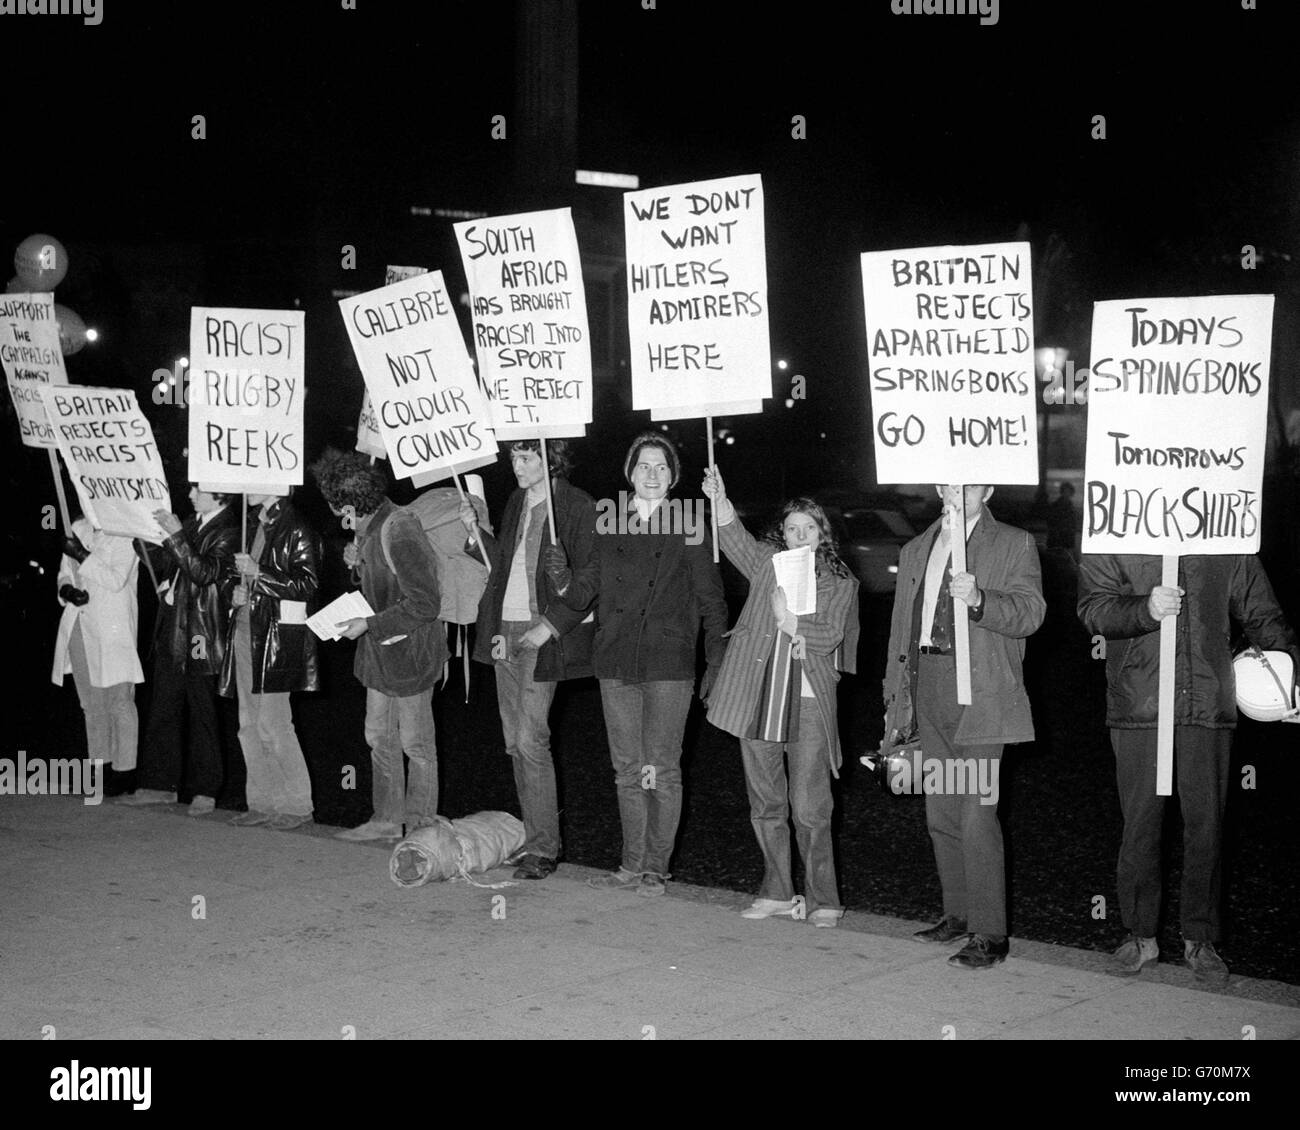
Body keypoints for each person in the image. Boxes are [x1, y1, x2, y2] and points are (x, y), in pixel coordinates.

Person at [1077, 553, 1298, 984]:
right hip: (1139, 702)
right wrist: (1144, 609)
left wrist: (1290, 681)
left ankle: (1201, 936)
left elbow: (1261, 612)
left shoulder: (1225, 535)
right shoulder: (1119, 527)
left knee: (1206, 825)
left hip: (1207, 700)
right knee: (1140, 825)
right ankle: (1140, 933)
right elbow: (1093, 609)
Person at [882, 484, 1045, 969]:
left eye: (970, 482)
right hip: (928, 686)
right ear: (937, 487)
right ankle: (957, 914)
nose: (958, 491)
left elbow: (1031, 613)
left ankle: (989, 933)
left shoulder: (1013, 542)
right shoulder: (917, 548)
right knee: (943, 813)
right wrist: (895, 697)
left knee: (977, 815)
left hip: (981, 693)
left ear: (989, 488)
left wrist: (979, 599)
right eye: (950, 482)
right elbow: (900, 628)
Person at [702, 469, 859, 927]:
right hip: (757, 697)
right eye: (792, 527)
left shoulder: (838, 580)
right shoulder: (767, 562)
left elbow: (829, 634)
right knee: (765, 802)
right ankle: (776, 890)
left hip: (807, 700)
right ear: (783, 533)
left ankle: (823, 900)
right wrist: (720, 501)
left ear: (822, 533)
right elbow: (736, 542)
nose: (800, 535)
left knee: (810, 807)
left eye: (809, 527)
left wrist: (789, 621)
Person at [578, 431, 728, 898]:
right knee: (626, 769)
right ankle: (630, 860)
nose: (652, 474)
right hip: (616, 660)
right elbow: (588, 588)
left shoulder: (689, 525)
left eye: (661, 467)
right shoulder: (610, 526)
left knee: (660, 768)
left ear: (673, 476)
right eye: (644, 466)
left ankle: (655, 869)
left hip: (668, 662)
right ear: (629, 472)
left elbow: (712, 600)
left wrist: (717, 661)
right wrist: (559, 588)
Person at [460, 439, 598, 880]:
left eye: (526, 458)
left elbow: (591, 577)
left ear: (549, 458)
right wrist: (473, 533)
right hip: (506, 629)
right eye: (514, 459)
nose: (516, 467)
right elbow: (500, 560)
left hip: (542, 633)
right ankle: (535, 837)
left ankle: (543, 848)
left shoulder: (577, 506)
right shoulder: (517, 500)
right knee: (513, 741)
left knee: (530, 739)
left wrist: (551, 625)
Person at [313, 452, 445, 842]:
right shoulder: (369, 527)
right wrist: (357, 568)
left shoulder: (399, 530)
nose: (334, 513)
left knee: (416, 745)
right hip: (379, 655)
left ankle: (421, 827)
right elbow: (381, 587)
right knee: (378, 737)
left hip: (410, 655)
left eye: (335, 506)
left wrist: (368, 624)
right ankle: (387, 820)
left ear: (348, 503)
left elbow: (425, 603)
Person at [121, 486, 240, 814]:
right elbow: (160, 561)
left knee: (202, 710)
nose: (189, 494)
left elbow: (204, 573)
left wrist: (175, 536)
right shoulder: (189, 524)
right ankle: (160, 784)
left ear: (219, 494)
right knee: (163, 706)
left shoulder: (230, 529)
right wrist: (141, 533)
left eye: (197, 489)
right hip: (173, 629)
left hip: (201, 631)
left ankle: (206, 790)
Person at [220, 491, 320, 830]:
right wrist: (237, 591)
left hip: (276, 638)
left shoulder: (295, 526)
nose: (245, 486)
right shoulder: (255, 524)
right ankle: (261, 801)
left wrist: (259, 574)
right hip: (247, 630)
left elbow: (308, 583)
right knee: (248, 724)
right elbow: (243, 578)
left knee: (273, 723)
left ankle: (296, 805)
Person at [53, 517, 143, 788]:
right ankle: (99, 766)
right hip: (79, 622)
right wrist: (66, 589)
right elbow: (64, 572)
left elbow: (116, 578)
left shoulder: (125, 531)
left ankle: (125, 769)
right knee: (91, 702)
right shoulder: (79, 529)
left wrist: (81, 554)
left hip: (112, 627)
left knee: (119, 700)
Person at [1046, 481, 1077, 551]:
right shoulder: (1069, 506)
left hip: (1061, 539)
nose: (1067, 494)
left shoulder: (1067, 506)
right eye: (1065, 491)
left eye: (1068, 492)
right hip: (1059, 539)